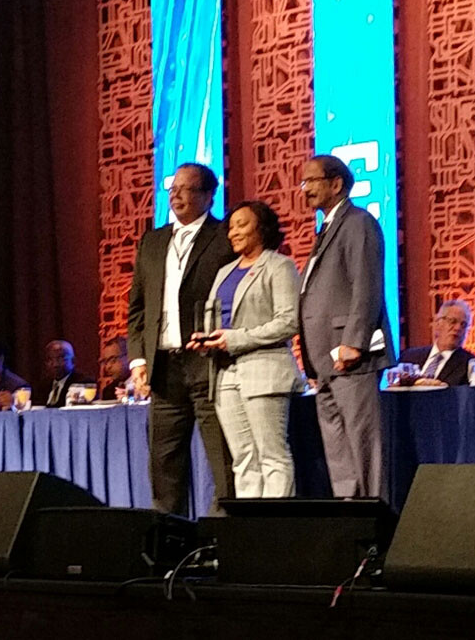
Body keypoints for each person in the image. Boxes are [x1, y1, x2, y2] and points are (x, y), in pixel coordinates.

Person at [126, 162, 236, 516]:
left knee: (222, 456)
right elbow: (138, 307)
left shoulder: (225, 237)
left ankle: (221, 538)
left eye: (186, 189)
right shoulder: (153, 241)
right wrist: (138, 359)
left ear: (207, 195)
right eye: (172, 188)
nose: (175, 195)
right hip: (163, 367)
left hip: (209, 364)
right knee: (164, 463)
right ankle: (170, 539)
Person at [187, 201, 302, 498]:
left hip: (263, 372)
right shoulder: (225, 271)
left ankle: (276, 531)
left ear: (261, 228)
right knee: (243, 460)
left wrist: (235, 339)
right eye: (231, 226)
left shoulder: (279, 266)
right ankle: (251, 531)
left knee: (272, 456)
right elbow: (218, 319)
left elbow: (288, 322)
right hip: (225, 375)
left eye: (242, 225)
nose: (234, 232)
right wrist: (206, 339)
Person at [298, 154, 395, 498]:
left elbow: (366, 285)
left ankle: (376, 519)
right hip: (323, 359)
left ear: (336, 184)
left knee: (363, 444)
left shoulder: (358, 222)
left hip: (350, 354)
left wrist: (356, 341)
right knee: (338, 450)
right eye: (303, 182)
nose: (305, 189)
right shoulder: (326, 227)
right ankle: (351, 513)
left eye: (311, 181)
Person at [397, 299, 475, 386]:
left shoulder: (470, 365)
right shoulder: (409, 356)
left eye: (463, 325)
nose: (458, 328)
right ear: (438, 323)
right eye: (452, 321)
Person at [40, 340, 95, 408]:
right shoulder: (42, 386)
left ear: (73, 361)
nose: (55, 364)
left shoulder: (83, 383)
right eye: (50, 360)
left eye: (60, 359)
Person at [99, 336, 130, 401]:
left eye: (113, 360)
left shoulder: (144, 385)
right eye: (105, 362)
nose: (108, 367)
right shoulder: (108, 391)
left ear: (128, 357)